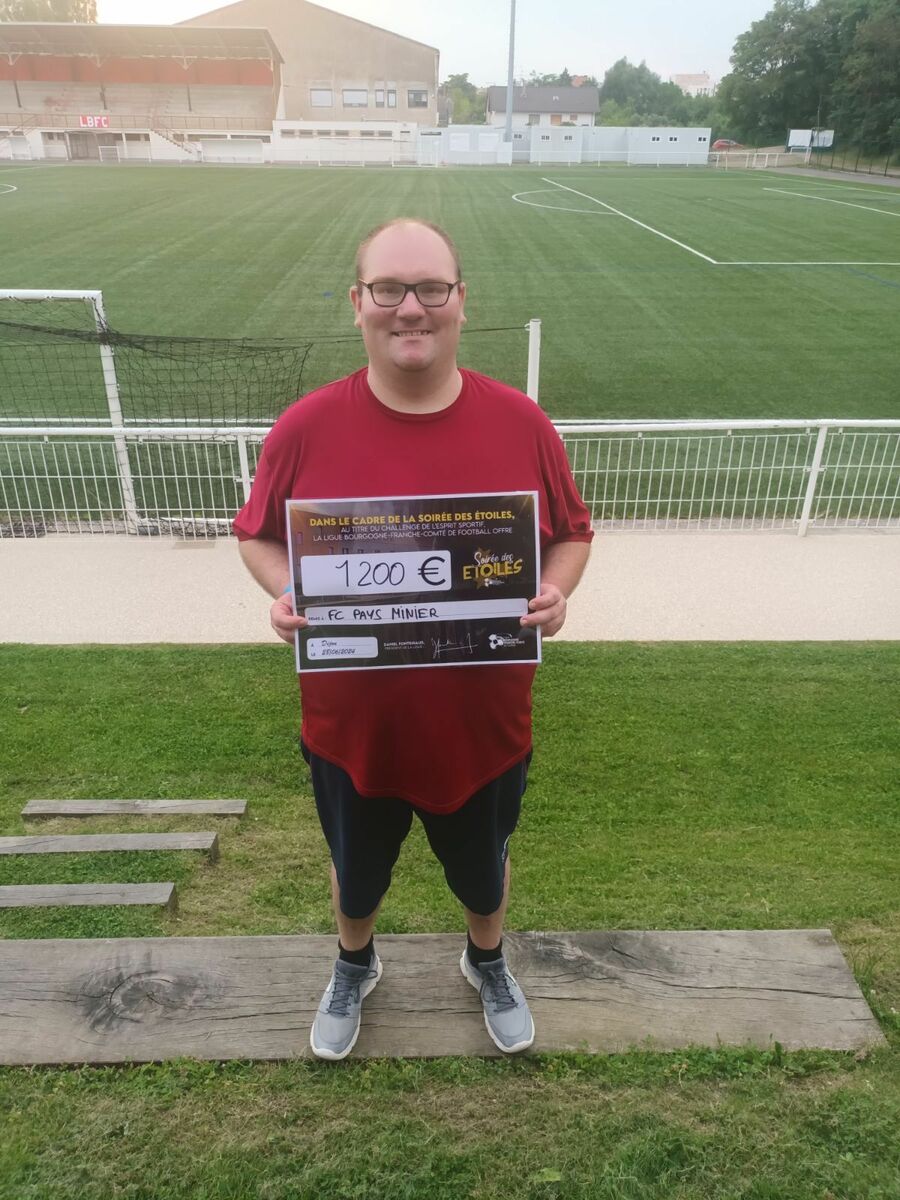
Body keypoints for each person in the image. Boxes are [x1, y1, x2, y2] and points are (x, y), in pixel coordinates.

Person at [234, 218, 593, 1060]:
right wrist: (285, 591)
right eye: (389, 289)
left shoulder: (523, 423)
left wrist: (556, 592)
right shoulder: (305, 427)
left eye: (430, 288)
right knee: (356, 875)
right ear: (357, 302)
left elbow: (573, 534)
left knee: (483, 870)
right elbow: (256, 536)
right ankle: (353, 963)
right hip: (352, 727)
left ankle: (487, 959)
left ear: (461, 300)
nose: (410, 308)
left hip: (483, 727)